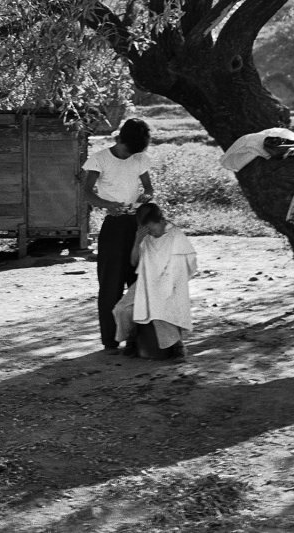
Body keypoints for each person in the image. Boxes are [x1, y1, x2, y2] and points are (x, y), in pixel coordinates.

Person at [82, 119, 154, 352]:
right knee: (110, 285)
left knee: (138, 281)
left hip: (137, 224)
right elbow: (86, 193)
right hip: (113, 226)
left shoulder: (139, 158)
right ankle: (110, 340)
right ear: (120, 139)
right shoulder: (99, 159)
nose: (129, 155)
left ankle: (137, 339)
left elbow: (148, 188)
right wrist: (107, 205)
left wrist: (146, 196)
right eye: (127, 150)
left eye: (134, 152)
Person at [113, 203, 197, 358]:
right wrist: (138, 240)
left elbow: (185, 267)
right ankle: (132, 338)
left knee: (159, 309)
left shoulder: (176, 236)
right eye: (147, 230)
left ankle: (176, 345)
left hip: (170, 283)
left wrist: (164, 284)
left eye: (152, 228)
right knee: (122, 309)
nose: (151, 232)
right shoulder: (146, 237)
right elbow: (134, 262)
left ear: (161, 221)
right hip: (146, 281)